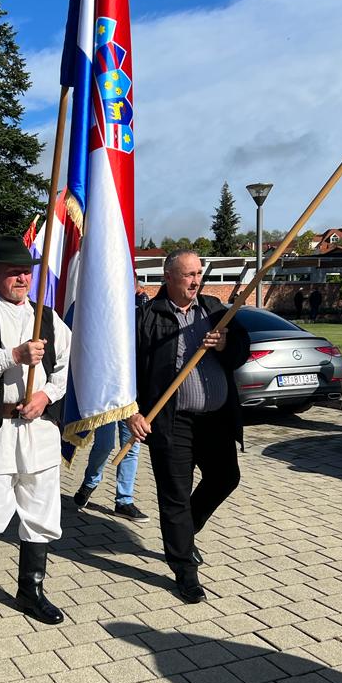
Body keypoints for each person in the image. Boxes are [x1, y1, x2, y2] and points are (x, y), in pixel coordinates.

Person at [0, 236, 71, 625]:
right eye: (13, 272)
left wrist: (46, 395)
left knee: (41, 506)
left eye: (26, 272)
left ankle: (30, 590)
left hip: (38, 428)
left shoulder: (48, 317)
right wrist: (14, 355)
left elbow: (64, 367)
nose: (22, 278)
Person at [128, 250, 250, 603]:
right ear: (168, 277)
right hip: (171, 422)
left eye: (199, 273)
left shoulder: (215, 310)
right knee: (175, 496)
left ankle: (185, 531)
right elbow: (126, 371)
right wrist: (132, 412)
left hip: (216, 420)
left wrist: (225, 343)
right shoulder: (147, 318)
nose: (196, 281)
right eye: (188, 275)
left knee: (225, 477)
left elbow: (241, 350)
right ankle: (184, 569)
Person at [74, 419, 148, 523]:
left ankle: (124, 502)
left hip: (133, 409)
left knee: (130, 449)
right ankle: (89, 483)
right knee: (104, 446)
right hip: (108, 408)